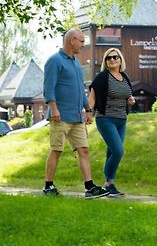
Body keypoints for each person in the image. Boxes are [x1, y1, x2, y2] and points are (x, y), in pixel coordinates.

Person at [43, 28, 109, 199]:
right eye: (81, 41)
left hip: (77, 116)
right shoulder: (54, 61)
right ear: (72, 40)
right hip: (60, 115)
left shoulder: (76, 63)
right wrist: (54, 108)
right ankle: (48, 186)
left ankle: (89, 187)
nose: (83, 44)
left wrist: (87, 109)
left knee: (84, 150)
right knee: (56, 149)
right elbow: (48, 88)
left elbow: (80, 89)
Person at [89, 48, 135, 197]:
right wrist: (88, 112)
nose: (112, 60)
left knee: (112, 152)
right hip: (105, 118)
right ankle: (108, 184)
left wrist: (130, 100)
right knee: (118, 151)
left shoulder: (124, 77)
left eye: (115, 57)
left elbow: (127, 96)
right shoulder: (103, 77)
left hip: (121, 120)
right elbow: (93, 96)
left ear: (120, 59)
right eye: (108, 58)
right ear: (105, 62)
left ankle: (109, 184)